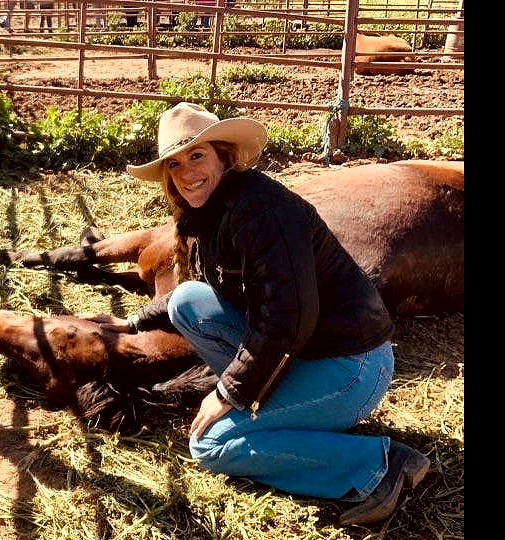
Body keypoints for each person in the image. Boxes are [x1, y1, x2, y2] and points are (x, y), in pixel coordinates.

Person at [101, 101, 431, 526]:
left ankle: (378, 467)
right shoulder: (211, 213)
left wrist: (228, 393)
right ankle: (282, 412)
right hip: (310, 350)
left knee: (212, 445)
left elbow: (287, 320)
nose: (186, 173)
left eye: (197, 155)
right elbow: (209, 294)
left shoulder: (263, 212)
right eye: (175, 164)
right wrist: (133, 322)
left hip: (351, 365)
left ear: (224, 154)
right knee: (187, 303)